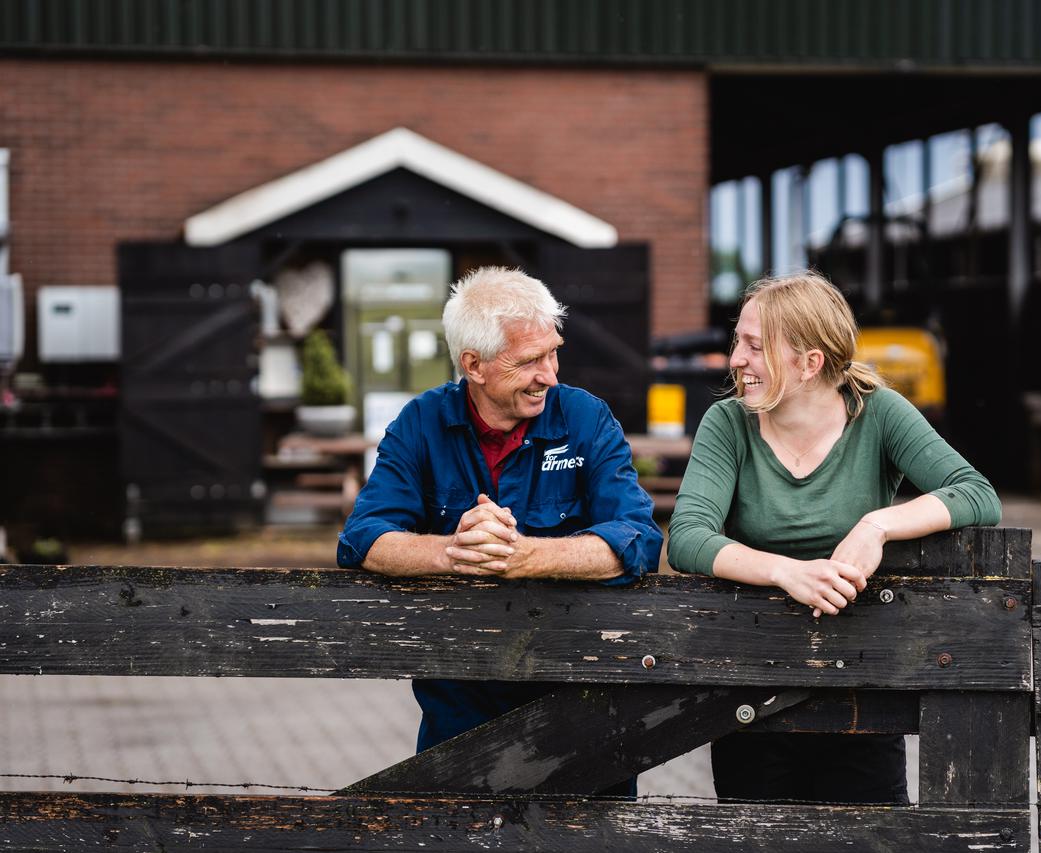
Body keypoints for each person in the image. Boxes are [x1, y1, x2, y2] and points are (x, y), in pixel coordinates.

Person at [667, 272, 1001, 805]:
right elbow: (686, 537)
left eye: (754, 346)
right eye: (738, 342)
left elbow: (977, 495)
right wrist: (785, 571)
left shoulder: (880, 413)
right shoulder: (726, 423)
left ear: (810, 362)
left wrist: (877, 525)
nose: (735, 359)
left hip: (861, 685)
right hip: (750, 686)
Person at [338, 266, 663, 762]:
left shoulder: (585, 417)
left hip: (584, 707)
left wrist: (523, 555)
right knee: (456, 836)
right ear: (474, 365)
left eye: (554, 351)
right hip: (459, 709)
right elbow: (364, 538)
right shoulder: (420, 424)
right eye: (530, 360)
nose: (550, 375)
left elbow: (639, 540)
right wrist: (454, 551)